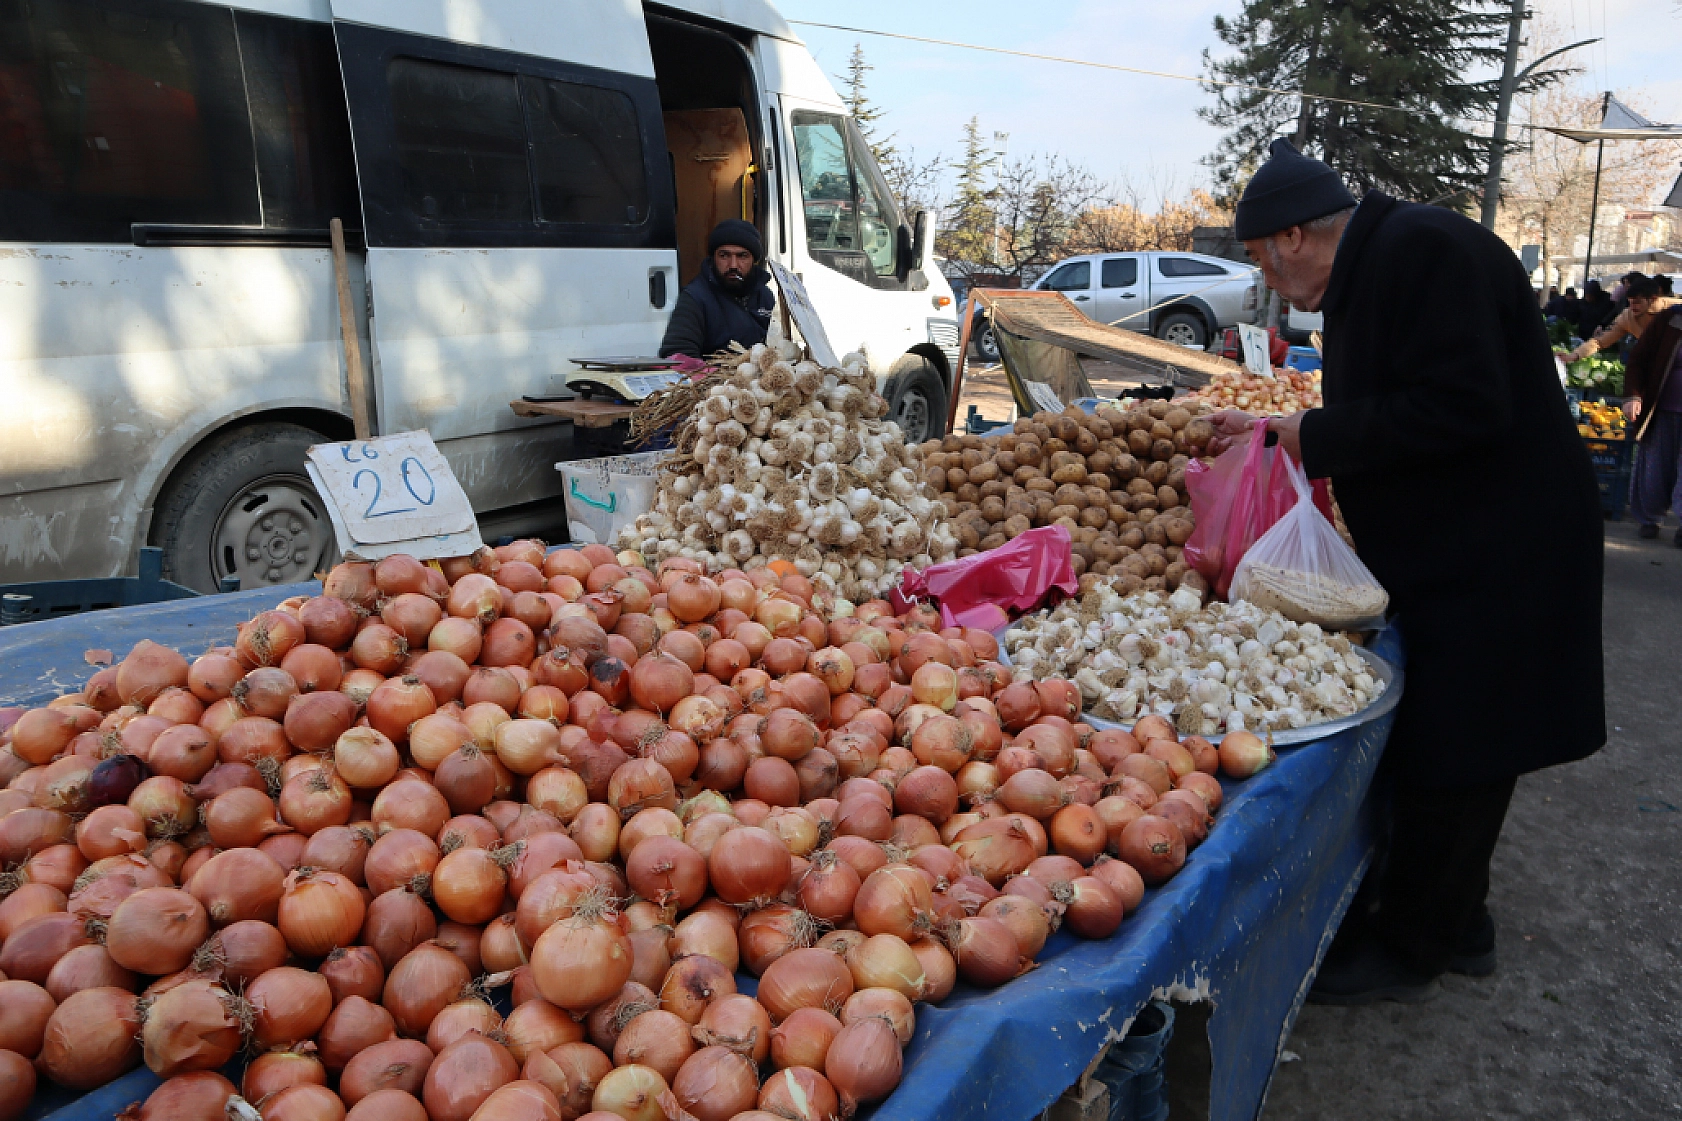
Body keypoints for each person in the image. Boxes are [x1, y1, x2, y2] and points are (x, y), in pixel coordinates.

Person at [1218, 138, 1605, 1004]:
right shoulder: (1382, 264)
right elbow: (1402, 396)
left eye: (1260, 260)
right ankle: (1458, 915)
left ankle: (1415, 946)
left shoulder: (1422, 252)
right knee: (1457, 735)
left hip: (1505, 547)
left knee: (1462, 745)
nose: (1267, 281)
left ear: (1294, 238)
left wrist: (1316, 437)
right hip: (1467, 544)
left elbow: (1465, 404)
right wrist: (1309, 432)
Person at [658, 219, 775, 359]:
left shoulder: (765, 296)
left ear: (754, 260)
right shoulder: (696, 297)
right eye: (724, 255)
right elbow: (677, 355)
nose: (733, 265)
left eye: (742, 256)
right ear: (713, 257)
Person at [1621, 298, 1682, 541]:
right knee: (1655, 468)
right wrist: (1633, 396)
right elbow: (1638, 360)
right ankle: (1650, 519)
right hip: (1663, 408)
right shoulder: (1669, 320)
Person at [1566, 274, 1676, 362]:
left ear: (1652, 299)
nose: (1632, 307)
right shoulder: (1627, 316)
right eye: (1630, 302)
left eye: (1637, 303)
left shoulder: (1674, 308)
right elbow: (1599, 341)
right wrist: (1575, 355)